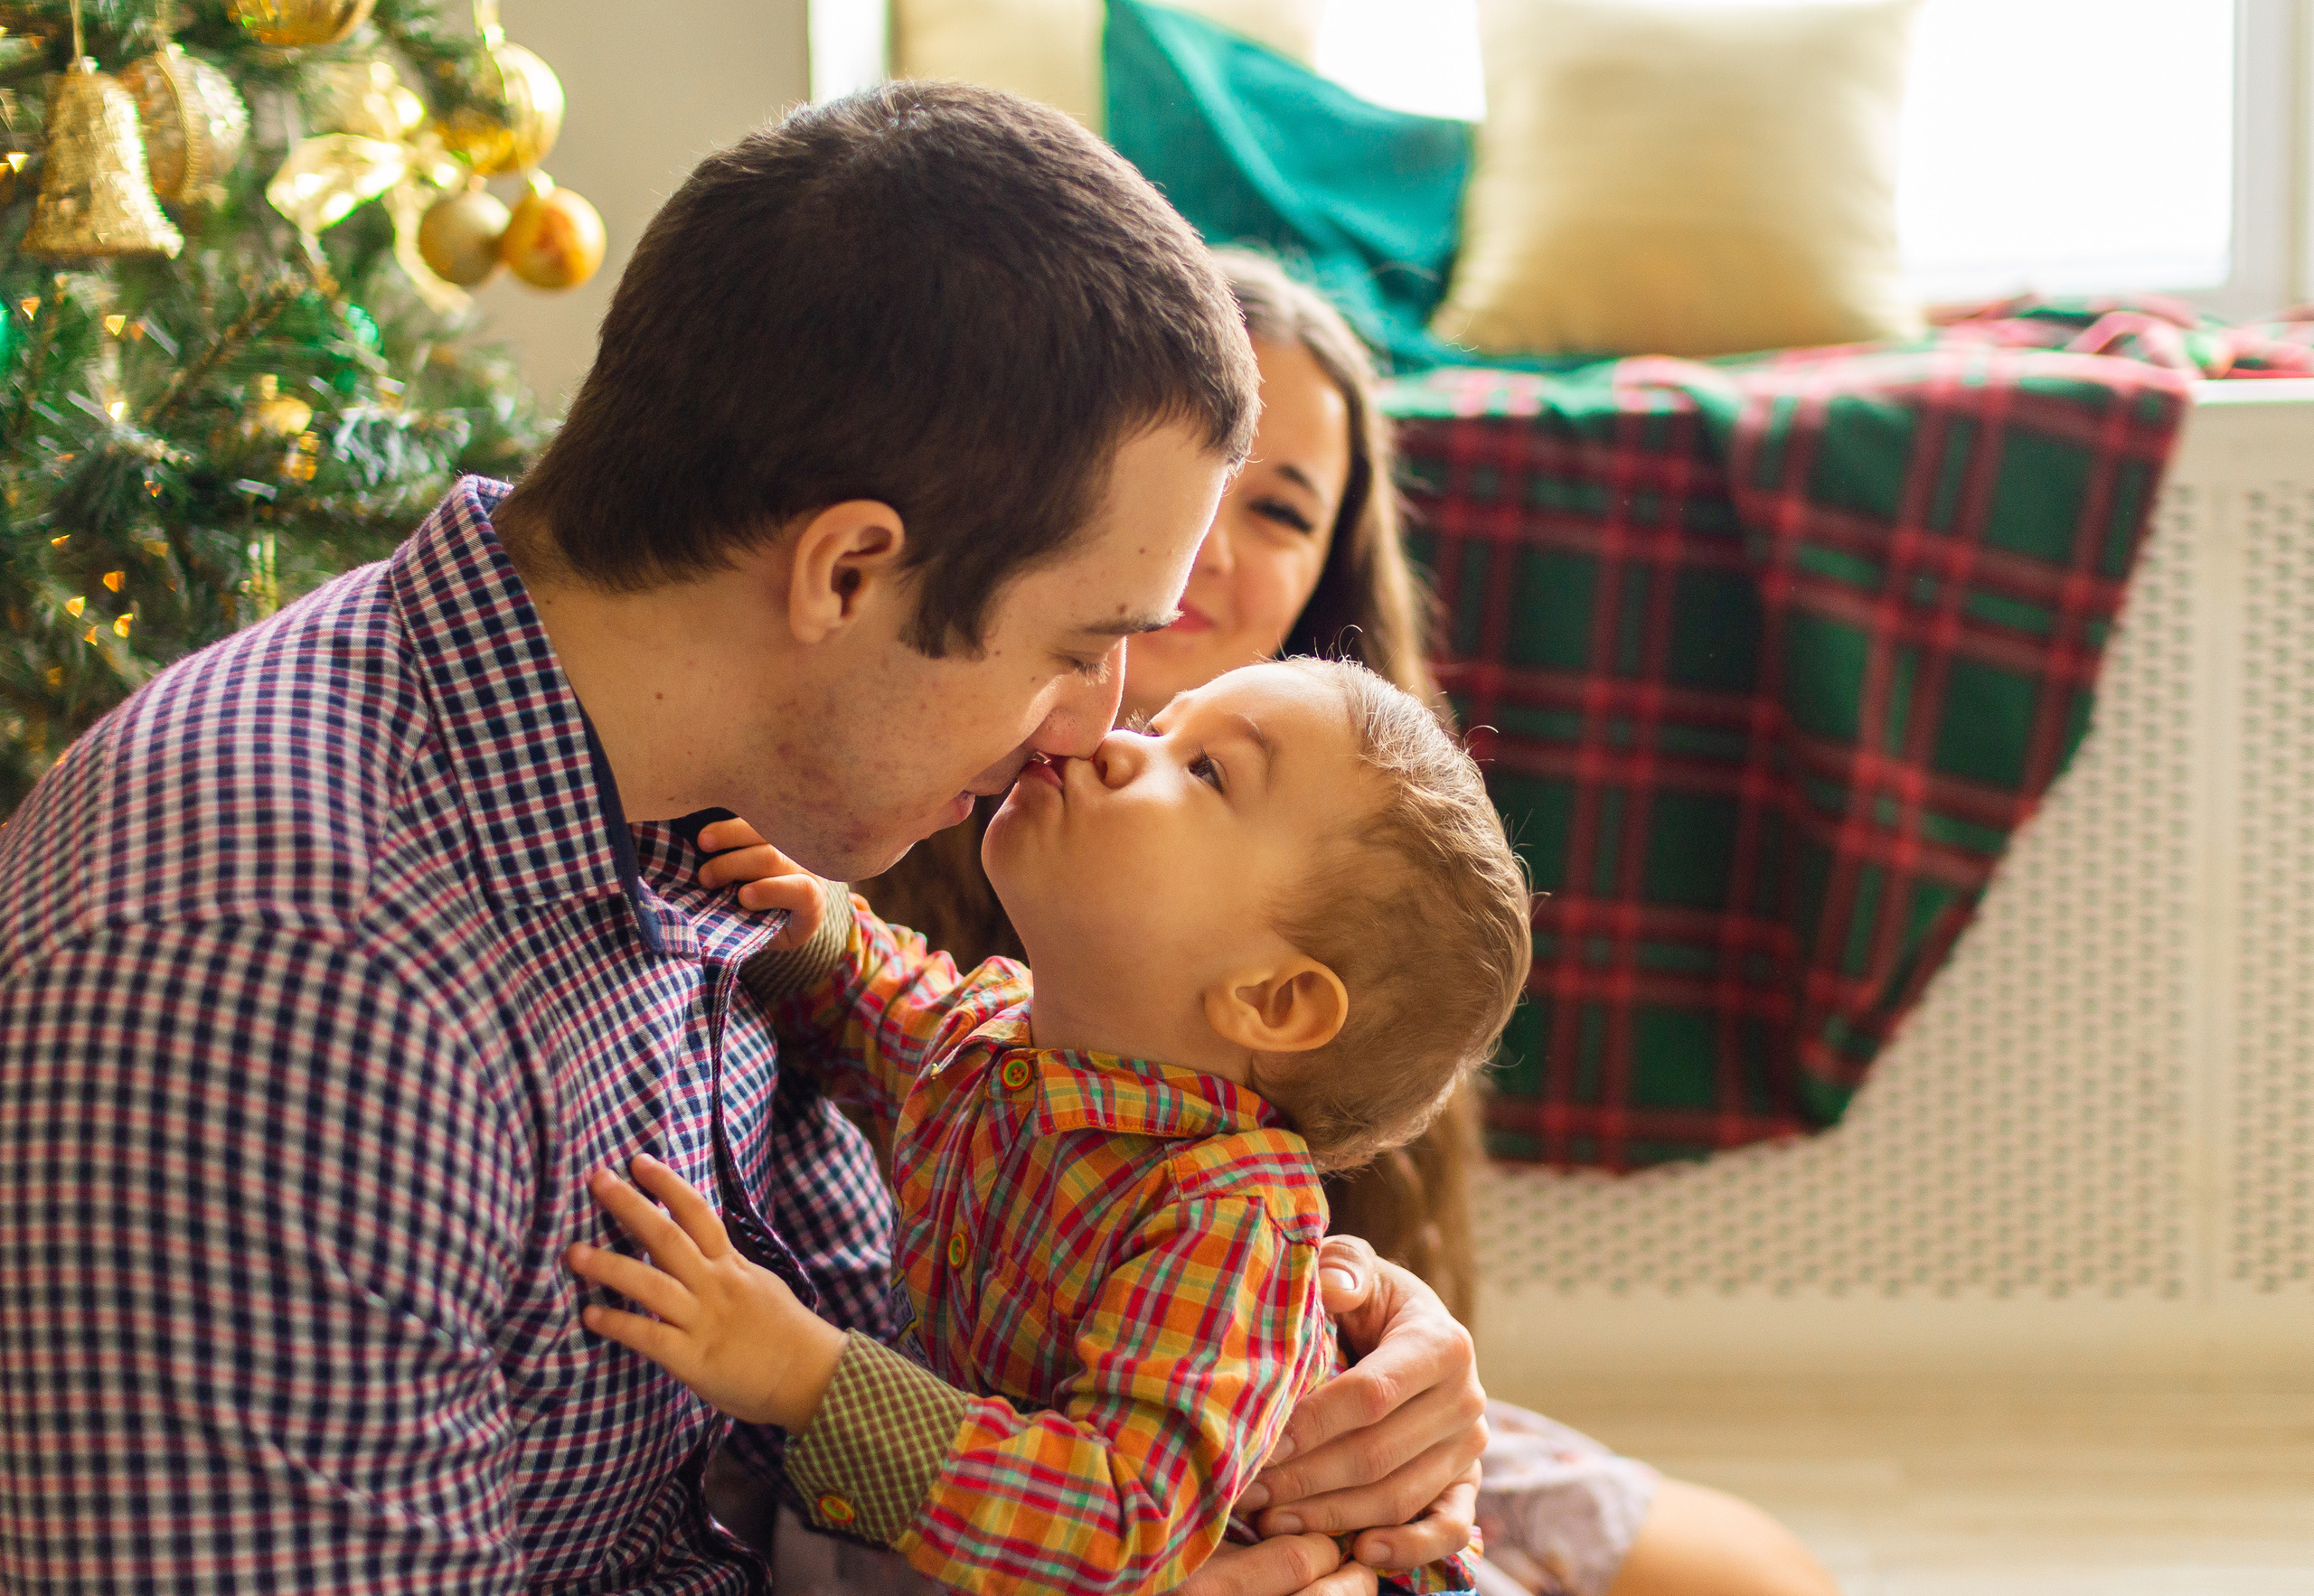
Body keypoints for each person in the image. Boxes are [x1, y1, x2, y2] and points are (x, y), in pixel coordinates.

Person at [0, 89, 1485, 1595]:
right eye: (1075, 647)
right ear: (844, 573)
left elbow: (937, 1249)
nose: (1088, 727)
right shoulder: (282, 989)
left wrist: (1316, 1345)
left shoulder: (680, 782)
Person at [857, 250, 1839, 1596]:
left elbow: (1318, 1254)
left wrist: (1397, 1354)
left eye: (1277, 507)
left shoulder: (1364, 879)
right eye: (1179, 479)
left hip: (1245, 1423)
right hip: (1011, 1451)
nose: (1208, 543)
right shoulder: (888, 800)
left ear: (1326, 578)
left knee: (1753, 1575)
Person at [569, 658, 1529, 1595]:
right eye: (1158, 725)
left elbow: (1120, 1513)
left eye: (1204, 770)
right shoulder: (1012, 1039)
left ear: (1273, 1000)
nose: (1112, 742)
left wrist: (806, 1376)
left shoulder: (1226, 1222)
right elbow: (898, 1019)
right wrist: (814, 933)